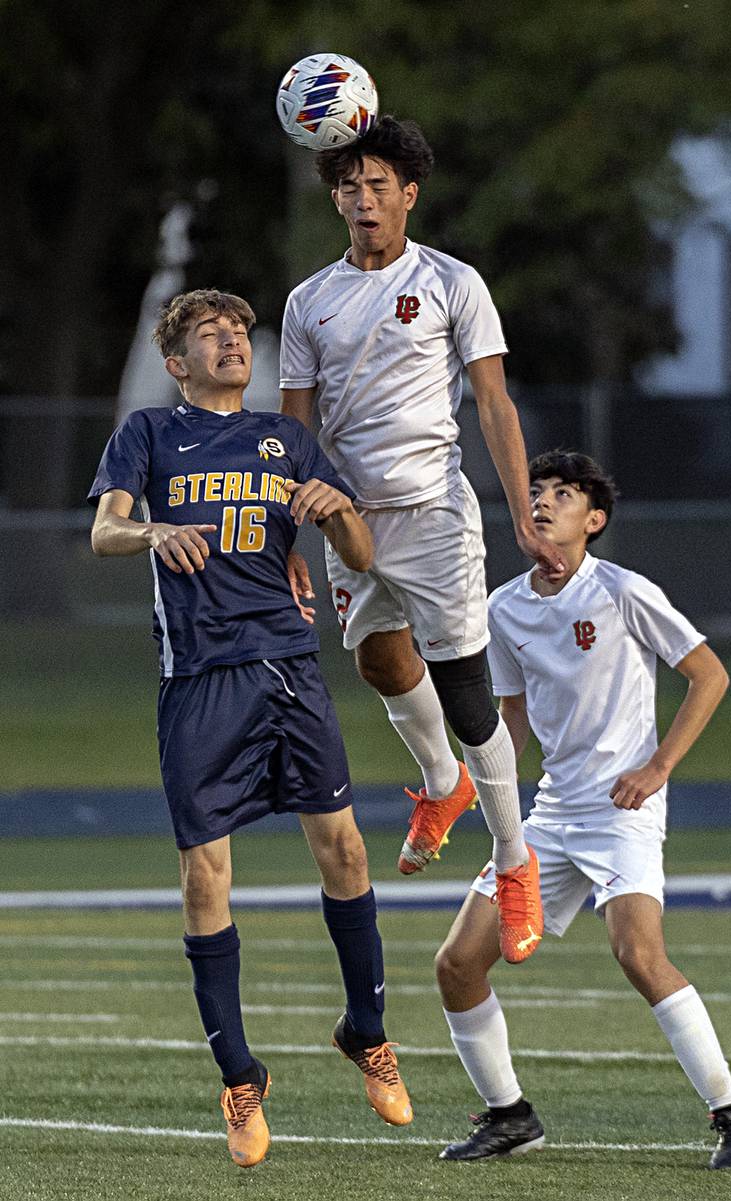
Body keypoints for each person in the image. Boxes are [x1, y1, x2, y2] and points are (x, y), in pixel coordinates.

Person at [88, 288, 412, 1170]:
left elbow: (360, 557)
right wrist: (153, 531)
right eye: (211, 334)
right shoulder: (150, 435)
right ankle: (239, 1075)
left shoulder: (288, 439)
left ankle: (368, 1029)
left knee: (345, 849)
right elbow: (102, 532)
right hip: (197, 678)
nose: (233, 341)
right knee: (205, 874)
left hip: (287, 666)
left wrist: (336, 509)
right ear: (178, 361)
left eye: (239, 332)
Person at [279, 116, 562, 963]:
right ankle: (443, 784)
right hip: (346, 516)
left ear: (409, 194)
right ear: (334, 197)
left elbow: (495, 404)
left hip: (435, 514)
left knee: (469, 691)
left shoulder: (451, 282)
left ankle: (515, 863)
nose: (364, 201)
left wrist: (521, 509)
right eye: (349, 187)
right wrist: (287, 538)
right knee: (377, 663)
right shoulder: (309, 302)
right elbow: (294, 433)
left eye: (379, 187)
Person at [434, 450, 731, 1170]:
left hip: (623, 809)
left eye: (564, 492)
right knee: (457, 963)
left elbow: (709, 675)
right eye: (537, 491)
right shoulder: (505, 607)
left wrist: (657, 766)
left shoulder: (623, 591)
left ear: (595, 519)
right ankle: (509, 1114)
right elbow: (512, 719)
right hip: (551, 814)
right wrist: (475, 792)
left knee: (638, 952)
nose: (545, 501)